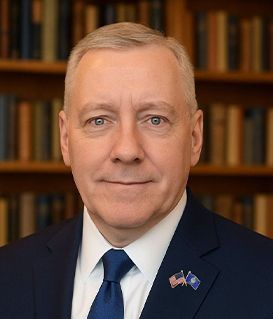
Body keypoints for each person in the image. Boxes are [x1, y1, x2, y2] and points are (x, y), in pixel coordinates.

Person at [1, 22, 273, 319]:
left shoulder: (265, 280)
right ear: (65, 140)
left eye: (154, 120)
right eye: (99, 120)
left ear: (195, 138)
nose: (127, 151)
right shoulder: (8, 273)